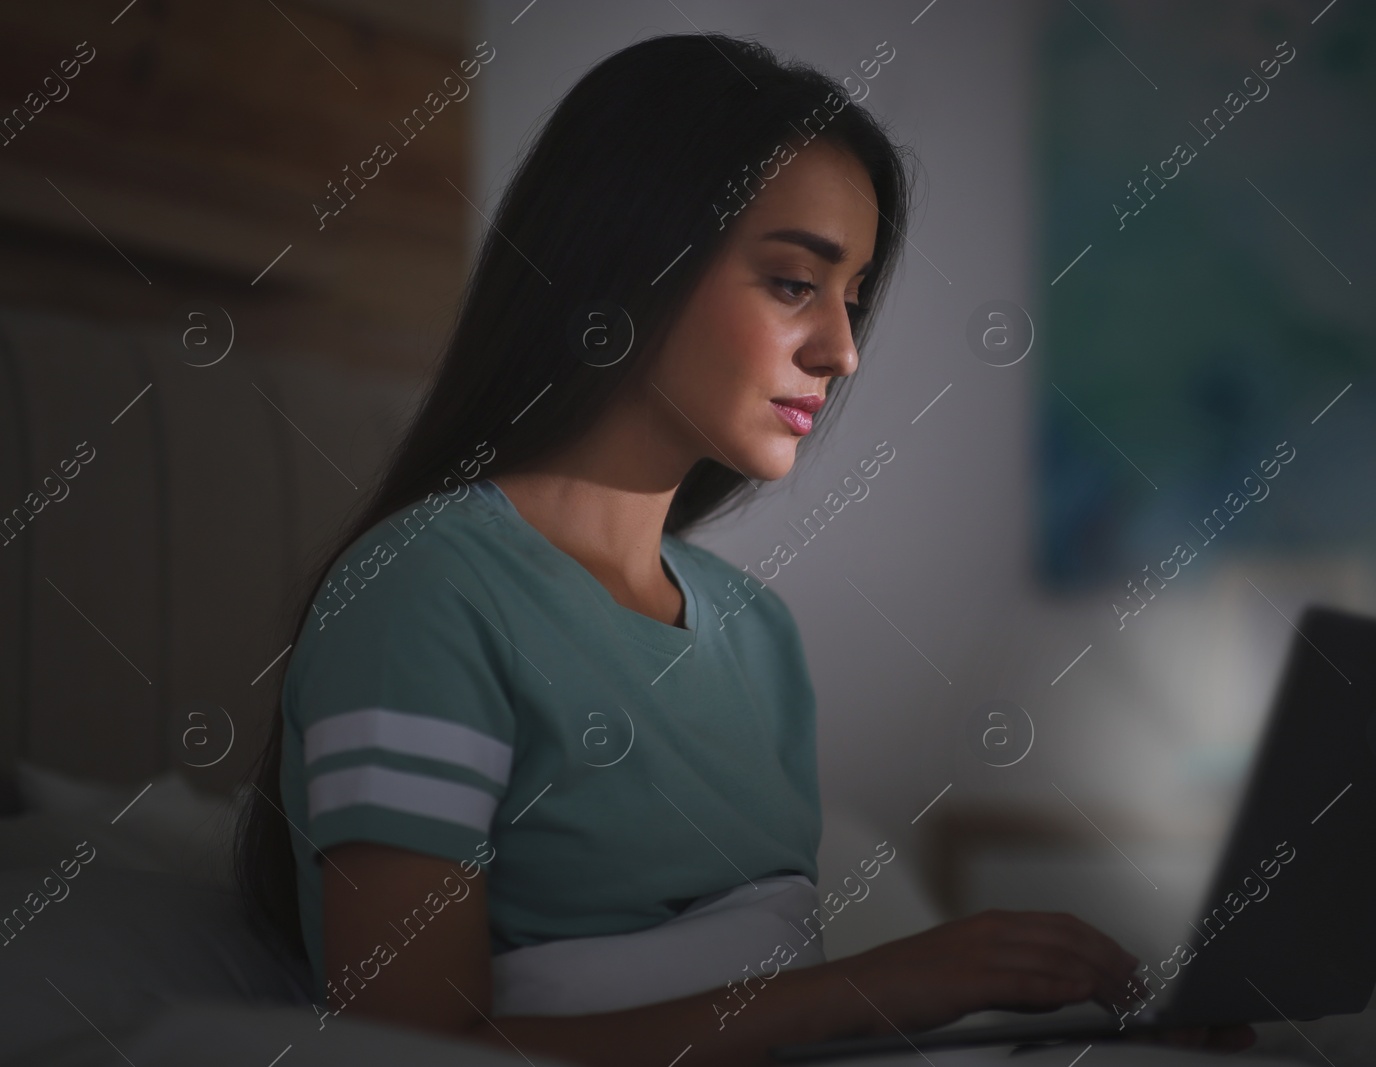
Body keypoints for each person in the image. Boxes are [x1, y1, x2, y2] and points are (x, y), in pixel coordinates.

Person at [233, 32, 1252, 1066]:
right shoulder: (423, 591)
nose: (841, 350)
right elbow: (405, 1046)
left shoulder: (755, 634)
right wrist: (872, 987)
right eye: (792, 282)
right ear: (628, 255)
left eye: (851, 296)